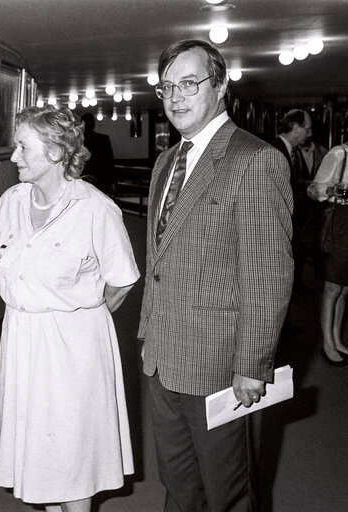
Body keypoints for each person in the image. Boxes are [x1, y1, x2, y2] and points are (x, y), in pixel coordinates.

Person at [139, 40, 293, 511]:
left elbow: (268, 275)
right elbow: (159, 260)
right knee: (179, 484)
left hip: (221, 367)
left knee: (228, 494)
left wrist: (252, 365)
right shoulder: (167, 161)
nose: (175, 97)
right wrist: (147, 333)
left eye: (189, 83)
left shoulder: (255, 160)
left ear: (221, 85)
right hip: (163, 360)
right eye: (167, 87)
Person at [0, 105, 140, 512]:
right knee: (41, 454)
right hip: (22, 339)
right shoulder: (9, 202)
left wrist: (83, 316)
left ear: (56, 153)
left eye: (23, 147)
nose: (14, 156)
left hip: (73, 347)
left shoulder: (95, 208)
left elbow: (123, 279)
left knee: (73, 458)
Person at [307, 117, 348, 367]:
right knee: (333, 287)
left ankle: (337, 339)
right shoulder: (339, 154)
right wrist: (333, 190)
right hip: (340, 223)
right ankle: (327, 345)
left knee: (345, 287)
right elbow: (313, 189)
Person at [272, 109, 312, 287]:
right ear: (296, 128)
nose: (309, 133)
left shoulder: (295, 153)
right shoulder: (273, 150)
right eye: (307, 129)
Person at [80, 111, 116, 194]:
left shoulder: (79, 140)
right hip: (101, 178)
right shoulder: (103, 139)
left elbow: (109, 162)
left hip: (86, 178)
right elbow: (110, 162)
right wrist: (111, 182)